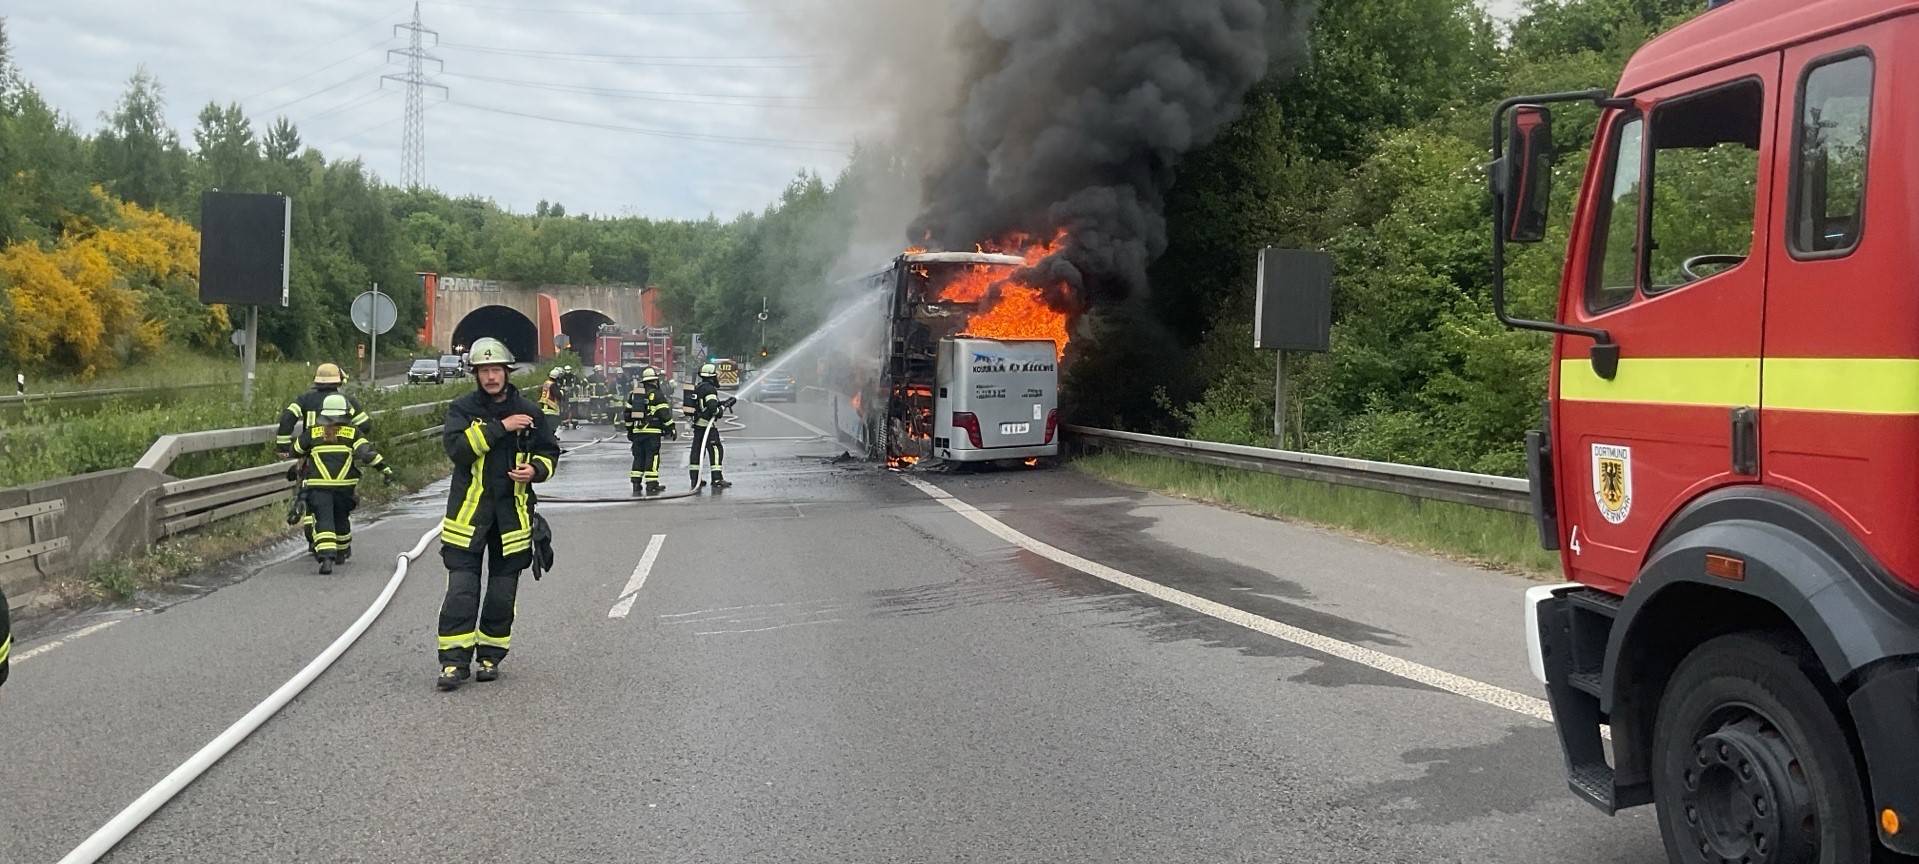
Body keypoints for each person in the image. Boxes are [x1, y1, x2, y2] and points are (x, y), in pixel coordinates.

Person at [435, 337, 561, 690]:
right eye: (484, 371)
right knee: (461, 592)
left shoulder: (530, 411)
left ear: (507, 372)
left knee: (502, 595)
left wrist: (536, 470)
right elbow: (458, 450)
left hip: (512, 518)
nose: (490, 377)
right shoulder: (462, 410)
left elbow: (550, 452)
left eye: (496, 370)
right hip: (468, 518)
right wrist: (500, 427)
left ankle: (490, 656)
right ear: (475, 375)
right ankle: (453, 663)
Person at [292, 394, 393, 574]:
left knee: (323, 518)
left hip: (318, 486)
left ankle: (326, 557)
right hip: (344, 487)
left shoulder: (313, 432)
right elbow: (367, 453)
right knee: (340, 517)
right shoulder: (353, 433)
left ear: (323, 413)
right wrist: (384, 469)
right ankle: (342, 551)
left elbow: (295, 450)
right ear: (346, 413)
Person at [275, 363, 371, 457]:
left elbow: (287, 417)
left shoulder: (304, 399)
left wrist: (283, 446)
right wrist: (349, 439)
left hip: (311, 454)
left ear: (316, 380)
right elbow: (365, 425)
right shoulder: (347, 400)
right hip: (342, 455)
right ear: (339, 381)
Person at [623, 366, 677, 496]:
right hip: (652, 432)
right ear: (654, 381)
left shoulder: (634, 394)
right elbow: (664, 413)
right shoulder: (657, 394)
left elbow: (627, 414)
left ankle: (636, 484)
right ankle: (652, 484)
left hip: (637, 432)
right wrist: (671, 428)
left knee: (638, 457)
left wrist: (630, 430)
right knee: (652, 457)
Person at [689, 363, 737, 490]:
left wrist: (723, 403)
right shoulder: (710, 389)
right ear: (712, 377)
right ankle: (717, 479)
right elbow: (712, 408)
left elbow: (704, 404)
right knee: (716, 449)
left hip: (698, 425)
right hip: (707, 426)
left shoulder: (699, 387)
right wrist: (720, 409)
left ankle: (695, 479)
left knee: (696, 451)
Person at [537, 367, 565, 434]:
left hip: (544, 408)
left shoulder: (546, 383)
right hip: (552, 409)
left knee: (546, 427)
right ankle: (550, 437)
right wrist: (562, 392)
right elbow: (558, 395)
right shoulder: (553, 385)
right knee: (552, 427)